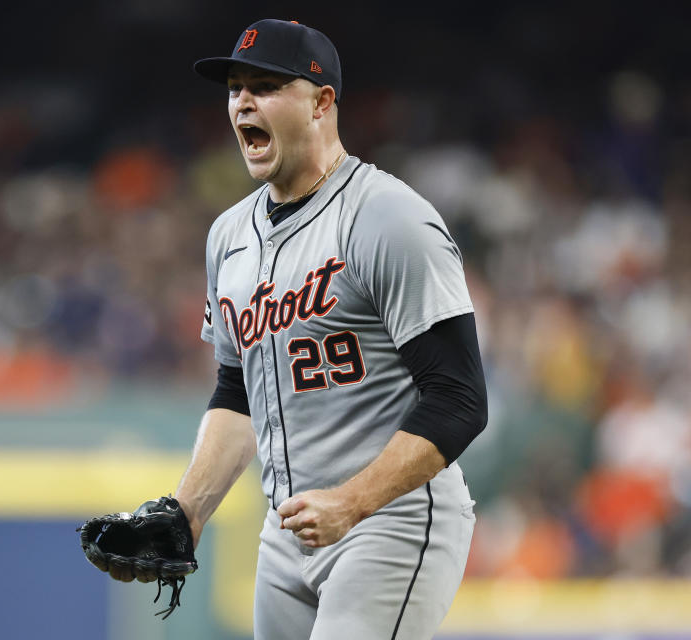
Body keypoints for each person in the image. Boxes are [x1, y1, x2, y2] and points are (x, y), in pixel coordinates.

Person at [121, 18, 488, 639]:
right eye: (235, 87)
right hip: (289, 531)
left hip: (390, 520)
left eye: (265, 86)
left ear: (322, 104)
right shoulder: (228, 236)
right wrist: (187, 511)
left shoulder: (386, 218)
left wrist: (352, 501)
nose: (242, 101)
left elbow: (460, 398)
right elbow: (240, 392)